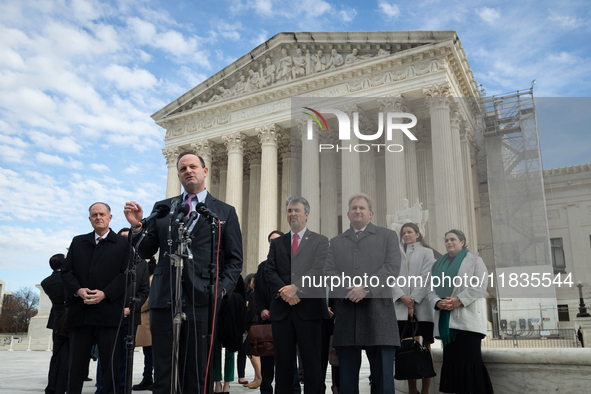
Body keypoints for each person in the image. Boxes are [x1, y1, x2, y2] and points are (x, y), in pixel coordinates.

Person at [124, 152, 243, 394]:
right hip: (164, 297)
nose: (188, 171)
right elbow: (146, 250)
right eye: (182, 168)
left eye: (193, 166)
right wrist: (137, 226)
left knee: (197, 371)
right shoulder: (163, 207)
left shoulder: (224, 212)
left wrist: (221, 289)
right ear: (178, 175)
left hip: (203, 299)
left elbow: (234, 259)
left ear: (205, 171)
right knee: (164, 370)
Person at [324, 193, 401, 394]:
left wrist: (366, 288)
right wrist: (348, 290)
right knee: (347, 383)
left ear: (371, 213)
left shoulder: (387, 236)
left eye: (362, 208)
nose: (358, 211)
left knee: (384, 382)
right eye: (354, 208)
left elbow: (392, 268)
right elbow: (328, 272)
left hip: (379, 317)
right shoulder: (336, 241)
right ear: (348, 214)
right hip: (347, 316)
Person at [61, 202, 130, 394]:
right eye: (94, 215)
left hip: (108, 313)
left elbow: (127, 274)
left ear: (110, 218)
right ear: (89, 219)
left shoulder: (123, 244)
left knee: (110, 366)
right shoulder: (78, 242)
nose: (98, 217)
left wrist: (105, 293)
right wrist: (78, 290)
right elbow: (66, 272)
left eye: (102, 214)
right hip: (81, 312)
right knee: (75, 366)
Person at [265, 196, 329, 394]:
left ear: (306, 214)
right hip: (282, 312)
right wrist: (286, 292)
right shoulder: (277, 243)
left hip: (309, 312)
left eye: (297, 210)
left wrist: (297, 289)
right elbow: (269, 271)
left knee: (312, 366)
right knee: (283, 366)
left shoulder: (320, 241)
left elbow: (319, 269)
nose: (292, 214)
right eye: (289, 211)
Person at [429, 229, 493, 394]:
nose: (449, 242)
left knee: (471, 362)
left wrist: (459, 300)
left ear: (462, 242)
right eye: (446, 240)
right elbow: (431, 289)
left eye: (453, 239)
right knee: (452, 363)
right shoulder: (438, 264)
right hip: (448, 322)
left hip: (468, 320)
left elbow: (480, 285)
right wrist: (438, 302)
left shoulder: (475, 260)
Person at [95, 228, 149, 394]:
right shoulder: (107, 259)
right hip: (108, 316)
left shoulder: (142, 264)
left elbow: (144, 291)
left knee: (125, 359)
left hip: (129, 318)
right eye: (122, 238)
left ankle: (123, 390)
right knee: (105, 357)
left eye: (129, 238)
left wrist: (130, 308)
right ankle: (103, 390)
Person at [392, 223, 439, 394]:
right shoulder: (396, 253)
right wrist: (403, 298)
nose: (406, 235)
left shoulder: (427, 252)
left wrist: (414, 300)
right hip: (401, 309)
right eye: (403, 232)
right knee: (406, 348)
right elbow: (392, 277)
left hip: (422, 308)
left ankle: (425, 390)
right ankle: (412, 390)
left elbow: (427, 277)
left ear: (418, 234)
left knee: (425, 348)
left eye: (409, 232)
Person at [254, 231, 302, 394]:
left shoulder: (293, 265)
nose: (273, 244)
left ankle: (294, 390)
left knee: (289, 360)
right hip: (268, 320)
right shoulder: (262, 267)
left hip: (287, 318)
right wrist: (262, 309)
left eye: (276, 240)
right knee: (267, 360)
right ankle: (266, 390)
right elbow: (258, 292)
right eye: (270, 241)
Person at [41, 253, 69, 394]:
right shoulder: (67, 279)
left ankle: (52, 386)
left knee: (56, 355)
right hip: (69, 319)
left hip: (56, 319)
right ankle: (61, 387)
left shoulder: (46, 282)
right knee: (67, 355)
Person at [132, 256, 157, 391]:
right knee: (148, 353)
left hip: (147, 321)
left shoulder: (151, 280)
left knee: (150, 353)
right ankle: (148, 377)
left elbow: (147, 301)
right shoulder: (151, 279)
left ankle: (149, 378)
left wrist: (134, 307)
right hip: (145, 321)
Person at [236, 274, 262, 389]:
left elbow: (251, 312)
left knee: (252, 352)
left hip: (253, 325)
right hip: (255, 324)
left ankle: (259, 378)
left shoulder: (253, 294)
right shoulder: (255, 294)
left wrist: (245, 326)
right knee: (251, 351)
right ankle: (257, 378)